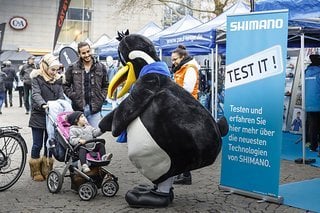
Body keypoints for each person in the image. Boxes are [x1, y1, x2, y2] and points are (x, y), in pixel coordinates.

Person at [28, 53, 65, 181]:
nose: (55, 72)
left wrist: (62, 105)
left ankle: (47, 168)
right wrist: (43, 104)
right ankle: (36, 170)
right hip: (38, 115)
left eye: (56, 70)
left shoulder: (59, 80)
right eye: (52, 69)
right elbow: (36, 94)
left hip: (51, 117)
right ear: (45, 67)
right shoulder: (37, 78)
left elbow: (61, 96)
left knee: (49, 144)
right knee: (37, 144)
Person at [171, 44, 200, 185]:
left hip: (187, 109)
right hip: (182, 108)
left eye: (175, 59)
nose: (173, 62)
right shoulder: (182, 68)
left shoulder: (190, 69)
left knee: (183, 143)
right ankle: (183, 173)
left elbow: (187, 90)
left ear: (182, 57)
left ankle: (186, 174)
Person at [63, 41, 108, 128]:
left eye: (88, 51)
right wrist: (73, 96)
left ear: (91, 50)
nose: (87, 55)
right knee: (80, 136)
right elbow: (65, 85)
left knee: (94, 136)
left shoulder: (101, 67)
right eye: (83, 53)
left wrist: (101, 97)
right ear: (79, 54)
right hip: (78, 109)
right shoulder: (72, 67)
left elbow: (106, 85)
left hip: (95, 109)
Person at [305, 54, 320, 152]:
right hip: (318, 102)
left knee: (312, 125)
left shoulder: (307, 71)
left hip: (309, 102)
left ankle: (313, 146)